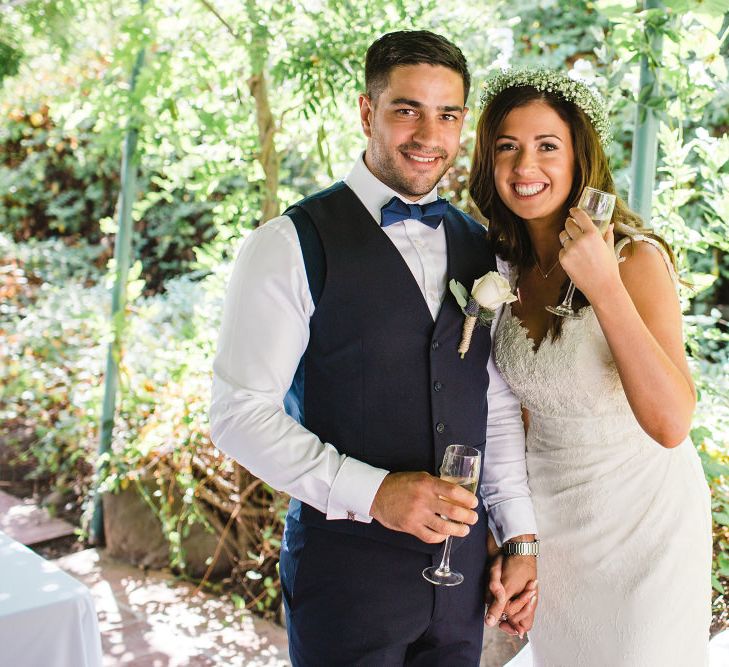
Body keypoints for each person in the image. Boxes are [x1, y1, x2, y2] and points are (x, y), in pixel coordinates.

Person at [210, 31, 539, 666]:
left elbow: (491, 406)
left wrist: (519, 536)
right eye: (406, 109)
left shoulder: (484, 248)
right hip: (345, 579)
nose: (428, 135)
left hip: (462, 580)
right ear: (368, 112)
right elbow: (238, 413)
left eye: (446, 115)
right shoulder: (288, 244)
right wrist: (374, 491)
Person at [469, 68, 713, 665]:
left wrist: (604, 286)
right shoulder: (500, 269)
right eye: (508, 147)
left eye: (547, 147)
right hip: (554, 526)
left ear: (580, 157)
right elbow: (514, 412)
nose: (526, 167)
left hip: (644, 528)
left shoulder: (635, 259)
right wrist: (517, 537)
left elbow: (670, 423)